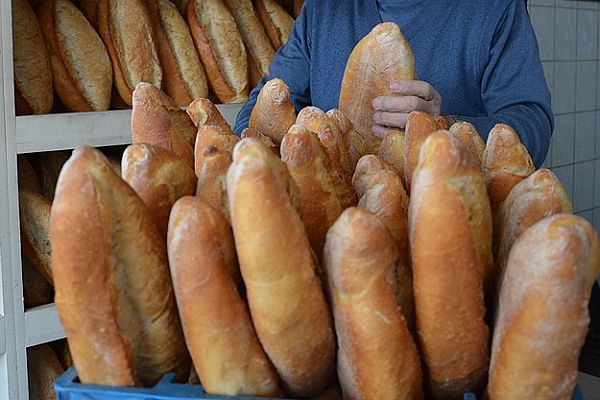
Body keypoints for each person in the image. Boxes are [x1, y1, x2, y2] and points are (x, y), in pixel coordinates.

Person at [233, 0, 553, 168]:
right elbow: (265, 100)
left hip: (445, 229)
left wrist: (448, 129)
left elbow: (532, 124)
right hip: (337, 230)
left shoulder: (494, 9)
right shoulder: (323, 8)